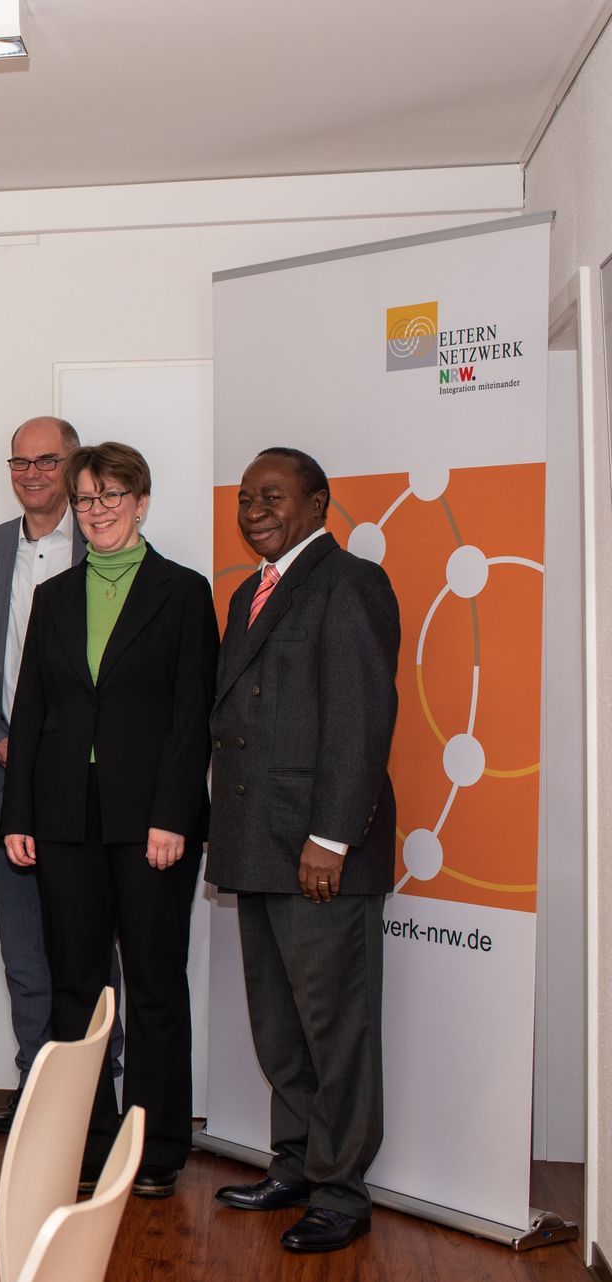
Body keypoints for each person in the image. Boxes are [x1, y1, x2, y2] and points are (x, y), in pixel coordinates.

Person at [0, 441, 218, 1200]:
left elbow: (192, 720)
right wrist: (18, 810)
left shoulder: (184, 592)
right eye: (86, 499)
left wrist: (172, 816)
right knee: (76, 987)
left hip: (150, 824)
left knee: (154, 984)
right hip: (62, 819)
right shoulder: (55, 597)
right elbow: (31, 712)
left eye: (111, 497)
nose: (98, 512)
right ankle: (87, 1138)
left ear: (142, 501)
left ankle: (155, 1146)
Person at [209, 447, 400, 1255]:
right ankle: (294, 1163)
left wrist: (331, 838)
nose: (255, 508)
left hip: (319, 852)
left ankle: (342, 1191)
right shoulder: (249, 593)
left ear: (319, 504)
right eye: (247, 496)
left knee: (336, 1028)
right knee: (281, 1025)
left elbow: (360, 720)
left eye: (274, 496)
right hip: (257, 844)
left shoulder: (350, 583)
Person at [0, 415, 90, 1133]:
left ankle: (96, 1097)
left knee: (88, 945)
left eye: (47, 460)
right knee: (23, 943)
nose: (32, 473)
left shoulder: (101, 548)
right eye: (20, 462)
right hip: (5, 776)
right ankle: (37, 1089)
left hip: (83, 783)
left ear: (73, 465)